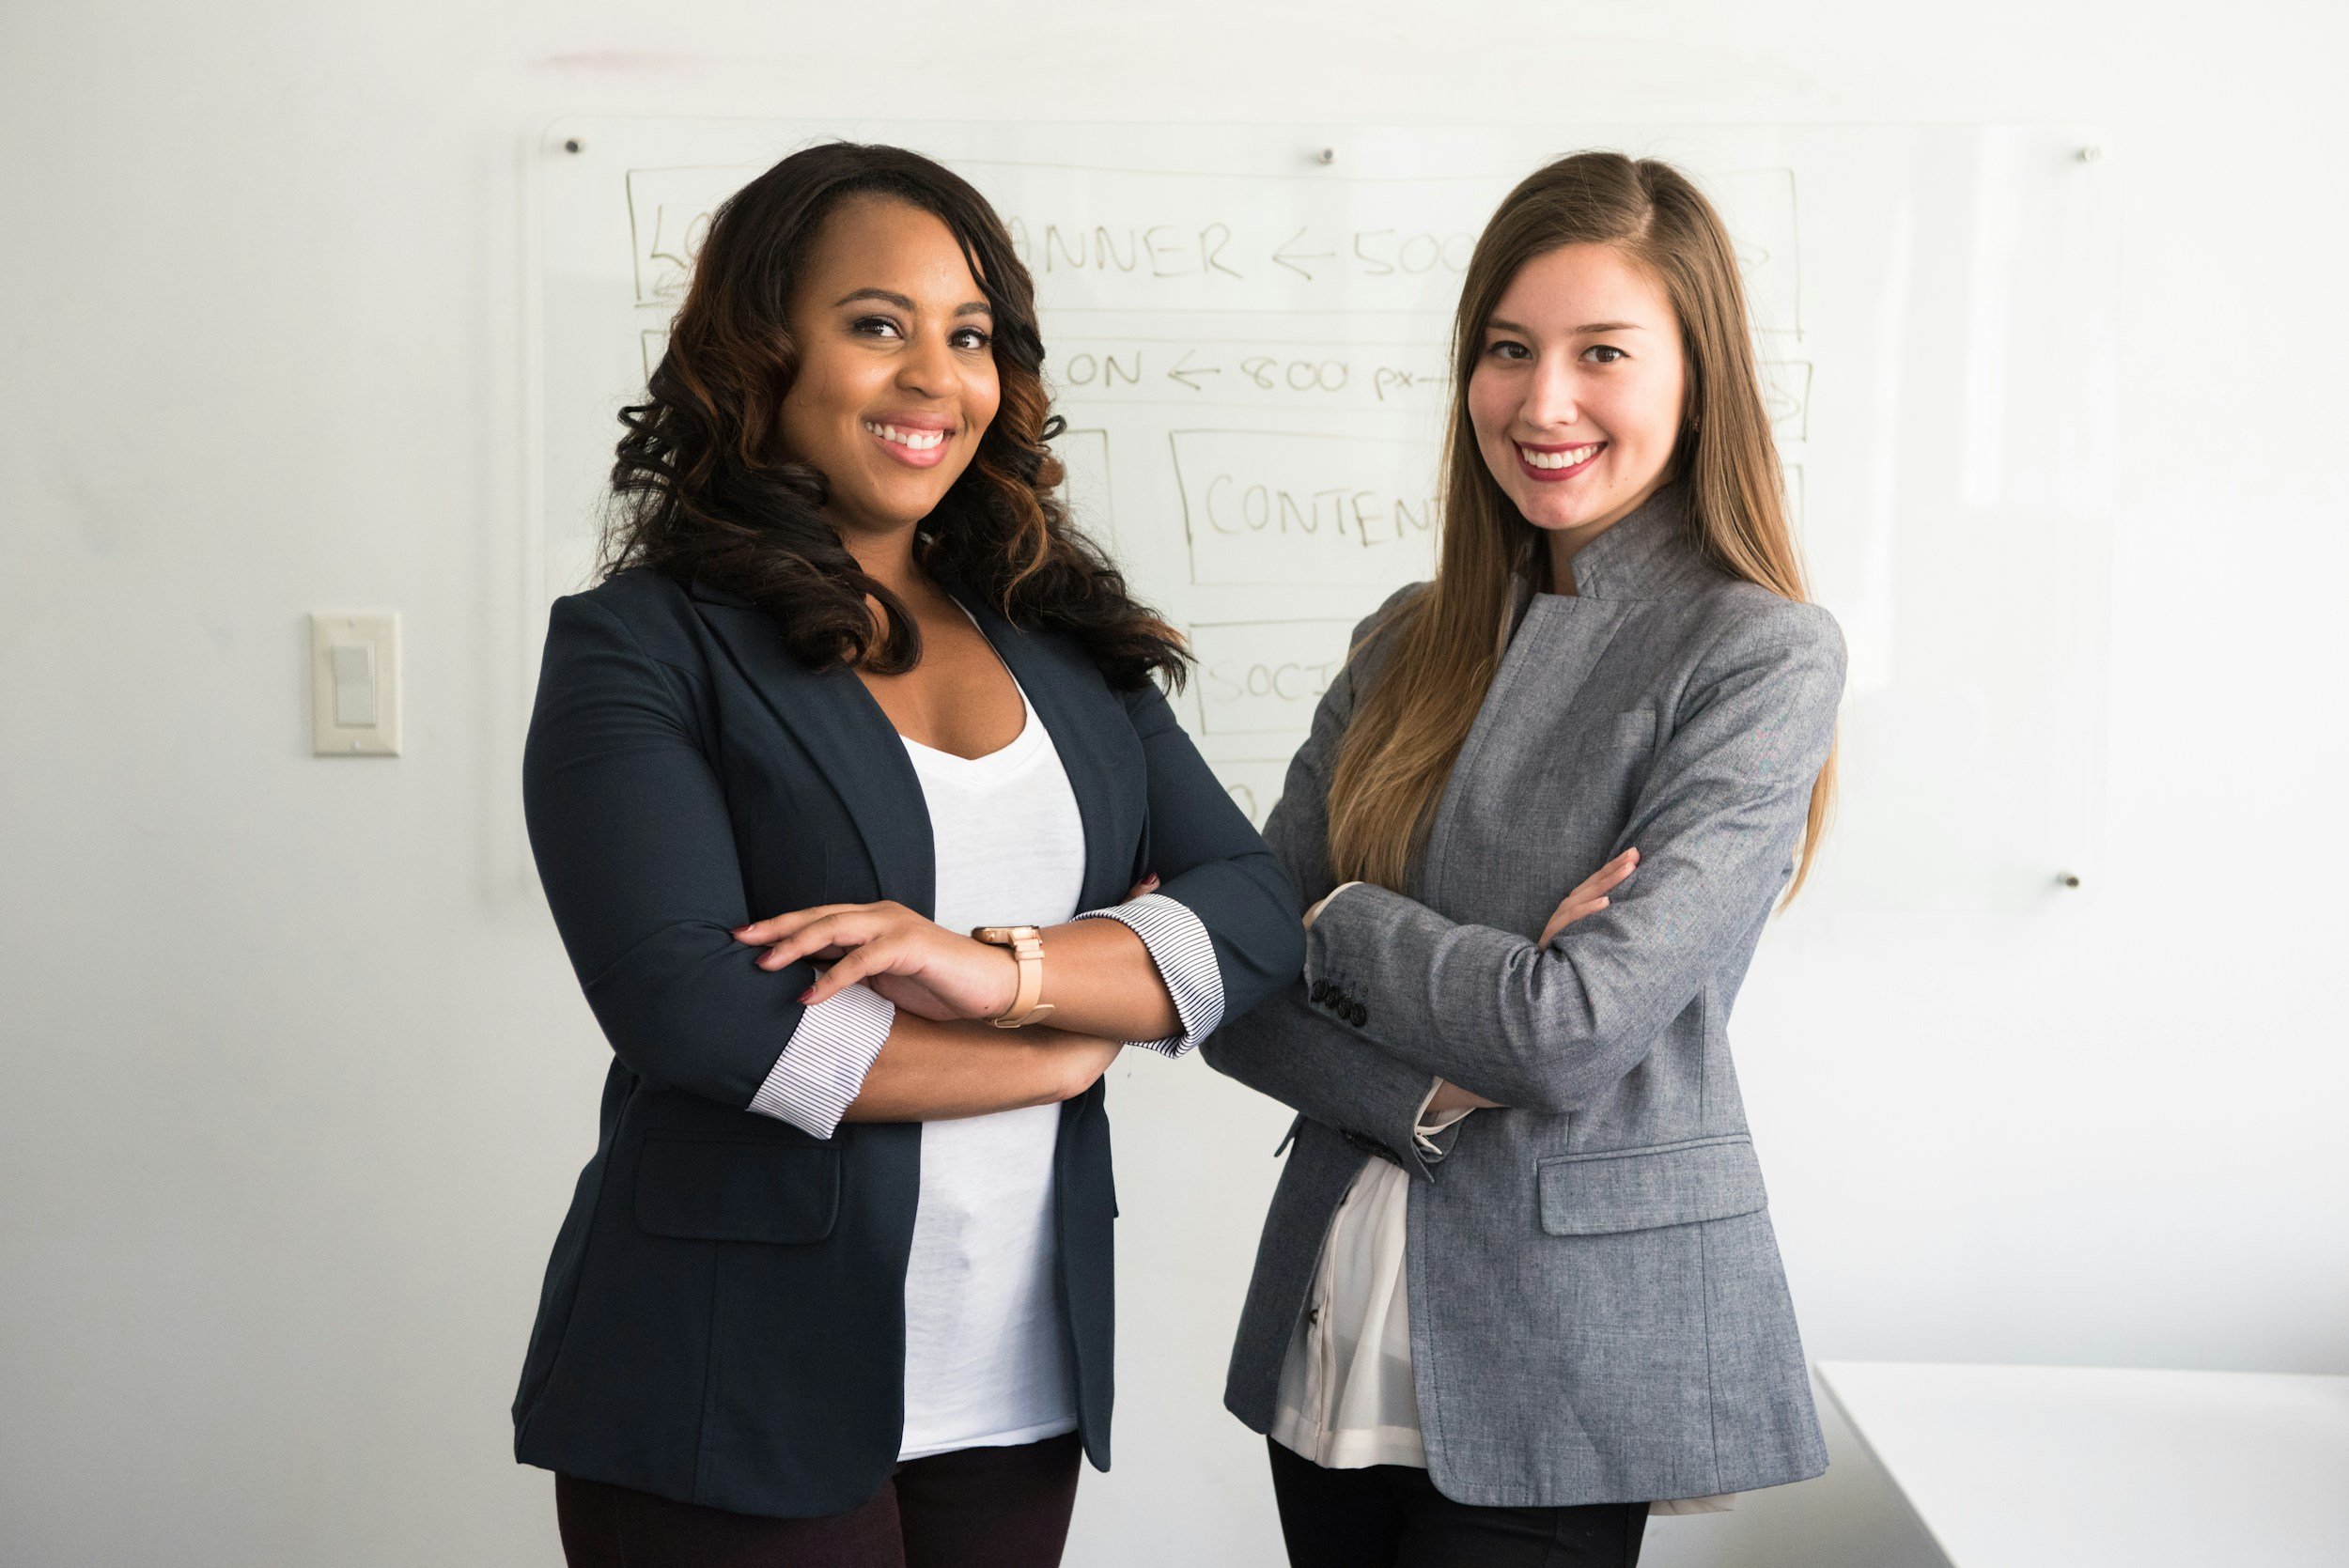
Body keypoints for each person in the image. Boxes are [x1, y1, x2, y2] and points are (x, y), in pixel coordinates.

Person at [511, 142, 1303, 1568]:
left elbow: (1249, 914)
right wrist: (1061, 1046)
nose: (937, 374)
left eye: (971, 334)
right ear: (762, 355)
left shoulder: (1066, 642)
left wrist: (1000, 975)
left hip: (1014, 1381)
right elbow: (697, 1011)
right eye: (879, 324)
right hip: (726, 1380)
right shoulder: (641, 645)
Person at [1203, 150, 1844, 1568]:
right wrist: (1428, 1069)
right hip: (1335, 1315)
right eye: (1508, 350)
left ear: (1698, 375)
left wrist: (1341, 918)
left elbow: (1569, 1031)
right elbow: (1237, 989)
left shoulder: (1755, 652)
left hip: (1565, 1346)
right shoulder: (1401, 637)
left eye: (1600, 352)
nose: (1541, 401)